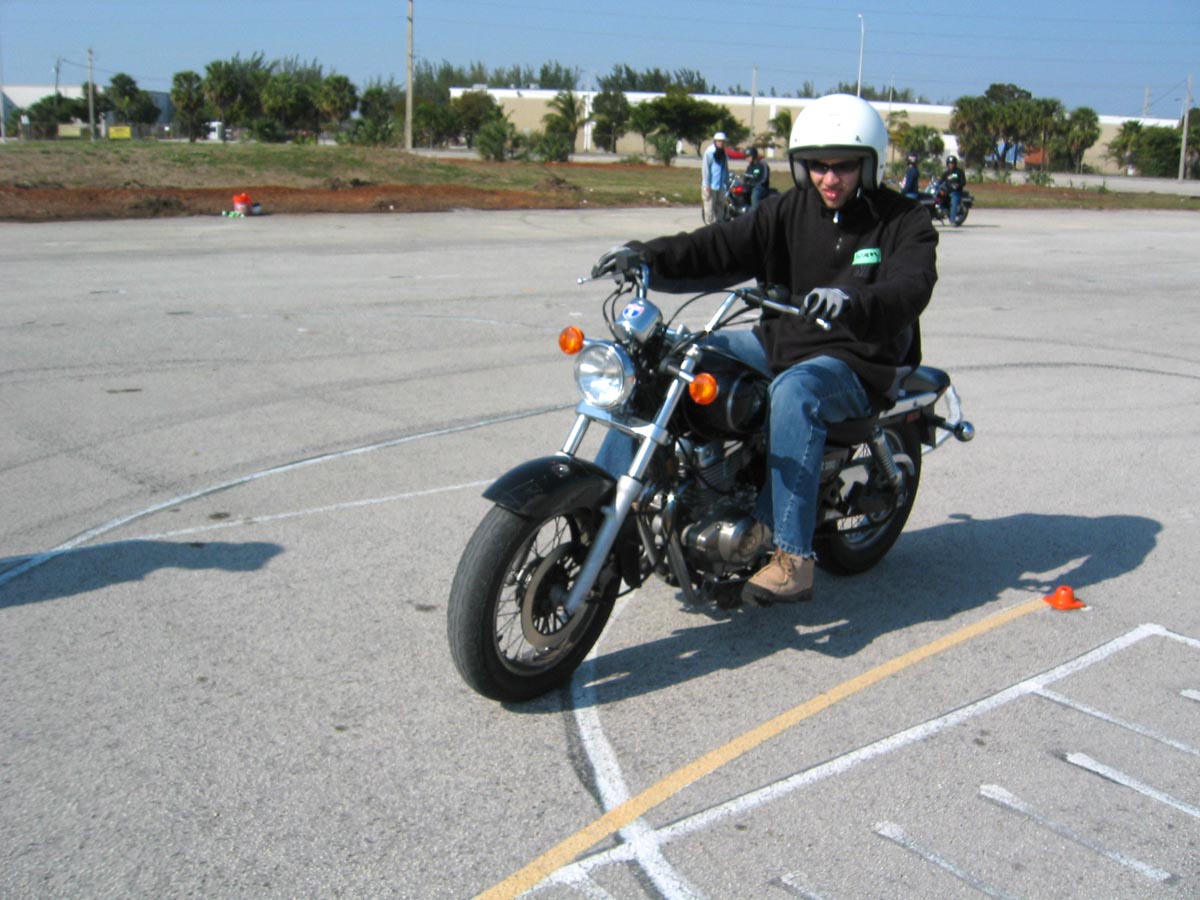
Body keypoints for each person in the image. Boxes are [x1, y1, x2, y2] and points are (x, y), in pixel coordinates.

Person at [592, 94, 938, 606]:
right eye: (817, 165)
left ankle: (792, 557)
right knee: (676, 359)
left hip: (859, 357)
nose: (829, 178)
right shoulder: (787, 210)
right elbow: (718, 244)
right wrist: (646, 256)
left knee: (795, 393)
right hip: (779, 341)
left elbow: (911, 284)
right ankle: (606, 504)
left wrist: (853, 301)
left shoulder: (904, 220)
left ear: (870, 165)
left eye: (844, 166)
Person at [701, 131, 730, 224]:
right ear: (715, 142)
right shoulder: (709, 153)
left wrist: (726, 182)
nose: (721, 143)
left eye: (722, 141)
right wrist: (707, 184)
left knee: (720, 206)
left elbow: (725, 169)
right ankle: (710, 226)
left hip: (720, 185)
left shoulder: (724, 154)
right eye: (719, 141)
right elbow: (705, 169)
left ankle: (719, 224)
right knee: (709, 207)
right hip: (711, 185)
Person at [939, 155, 967, 224]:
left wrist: (957, 186)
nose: (951, 165)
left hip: (955, 192)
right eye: (949, 163)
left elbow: (963, 182)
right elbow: (940, 181)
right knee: (938, 198)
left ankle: (952, 220)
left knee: (954, 202)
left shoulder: (959, 172)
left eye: (952, 163)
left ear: (955, 164)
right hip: (946, 192)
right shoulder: (946, 173)